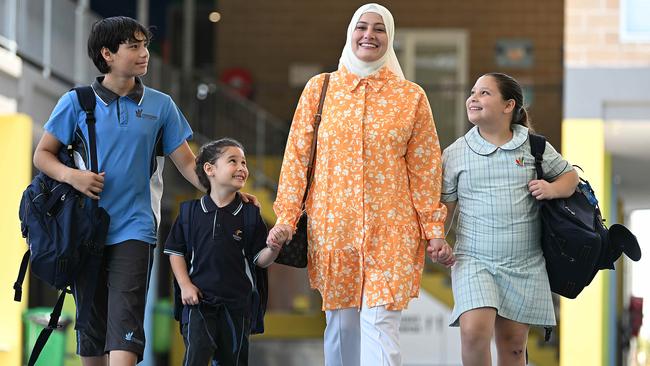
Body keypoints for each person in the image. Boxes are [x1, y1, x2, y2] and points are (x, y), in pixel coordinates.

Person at [32, 16, 256, 366]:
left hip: (135, 228)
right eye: (133, 46)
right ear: (107, 53)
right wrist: (73, 177)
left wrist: (226, 192)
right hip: (84, 230)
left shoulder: (161, 105)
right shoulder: (76, 102)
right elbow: (42, 154)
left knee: (126, 322)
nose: (144, 54)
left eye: (145, 45)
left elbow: (187, 163)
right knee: (91, 329)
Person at [267, 4, 451, 365]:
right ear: (350, 34)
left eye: (379, 29)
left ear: (390, 38)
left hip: (392, 231)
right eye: (362, 27)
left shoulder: (410, 97)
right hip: (334, 229)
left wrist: (434, 229)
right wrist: (286, 218)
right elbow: (297, 159)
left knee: (380, 324)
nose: (370, 34)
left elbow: (425, 169)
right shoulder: (320, 89)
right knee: (341, 328)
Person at [428, 72, 579, 366]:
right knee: (473, 332)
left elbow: (570, 177)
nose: (473, 97)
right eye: (472, 92)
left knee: (512, 346)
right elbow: (444, 205)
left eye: (485, 93)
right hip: (474, 261)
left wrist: (550, 188)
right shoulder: (456, 153)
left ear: (509, 106)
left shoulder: (534, 147)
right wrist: (438, 238)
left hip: (524, 264)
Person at [164, 138, 282, 366]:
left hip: (237, 306)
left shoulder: (250, 214)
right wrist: (185, 285)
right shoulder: (189, 213)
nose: (242, 168)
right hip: (198, 303)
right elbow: (175, 252)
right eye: (233, 161)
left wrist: (273, 247)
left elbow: (261, 260)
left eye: (244, 162)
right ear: (210, 169)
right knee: (196, 357)